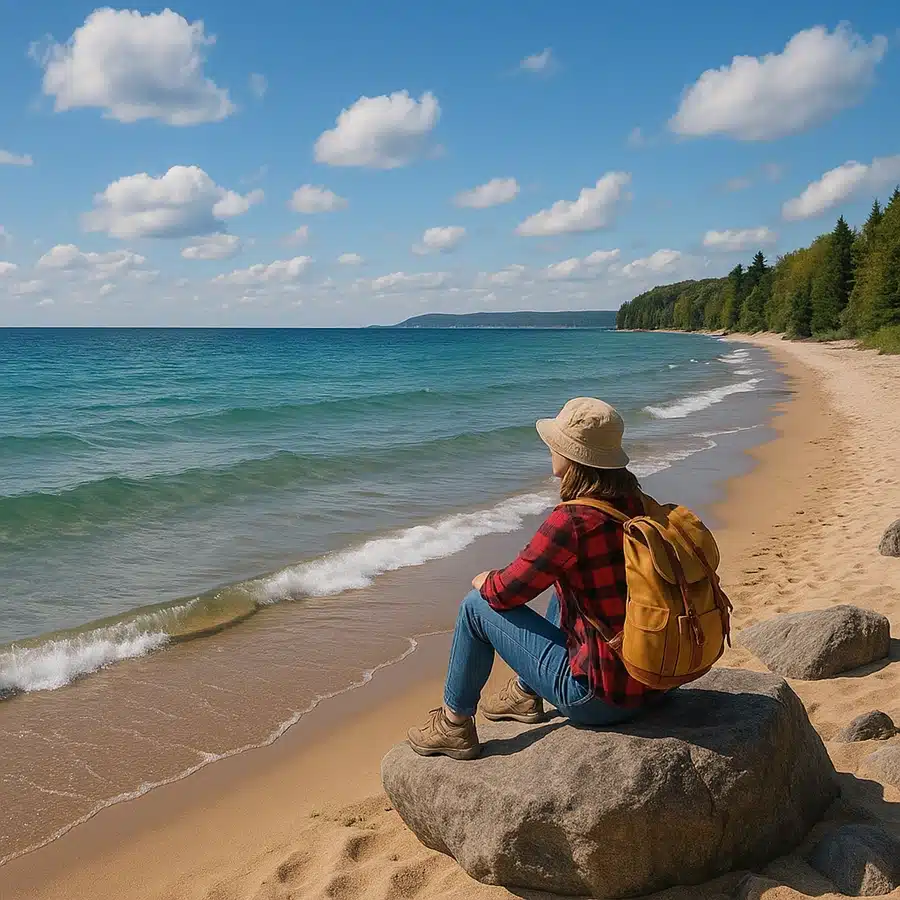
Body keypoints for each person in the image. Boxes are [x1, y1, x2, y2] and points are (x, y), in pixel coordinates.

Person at [407, 397, 666, 760]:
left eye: (555, 445)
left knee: (474, 606)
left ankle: (454, 724)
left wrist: (485, 581)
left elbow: (505, 593)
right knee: (568, 586)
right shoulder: (635, 502)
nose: (550, 451)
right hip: (653, 680)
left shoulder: (573, 522)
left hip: (600, 698)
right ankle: (527, 693)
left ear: (573, 457)